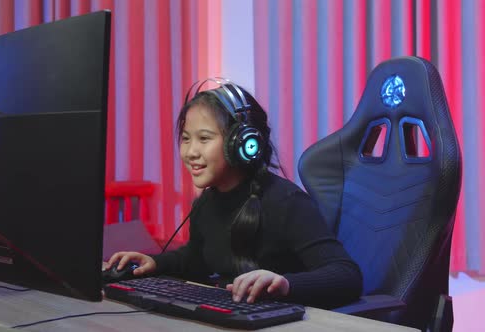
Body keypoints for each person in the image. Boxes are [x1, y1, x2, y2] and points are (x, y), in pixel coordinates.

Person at [106, 80, 362, 308]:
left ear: (242, 143)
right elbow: (197, 259)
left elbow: (346, 275)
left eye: (204, 139)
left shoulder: (286, 202)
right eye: (185, 138)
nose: (190, 152)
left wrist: (285, 284)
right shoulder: (206, 202)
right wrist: (155, 263)